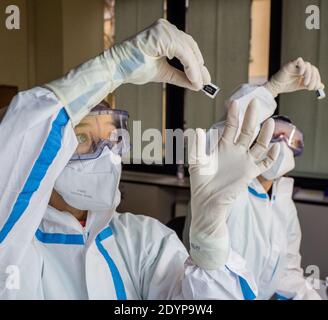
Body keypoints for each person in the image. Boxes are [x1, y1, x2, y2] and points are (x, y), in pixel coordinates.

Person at [0, 18, 278, 300]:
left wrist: (211, 249)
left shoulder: (143, 240)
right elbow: (15, 146)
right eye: (83, 139)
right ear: (48, 147)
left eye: (113, 140)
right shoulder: (17, 242)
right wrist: (112, 67)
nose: (106, 155)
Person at [183, 58, 324, 300]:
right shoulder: (228, 188)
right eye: (275, 134)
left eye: (293, 140)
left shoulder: (283, 201)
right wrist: (271, 91)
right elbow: (224, 133)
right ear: (254, 137)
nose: (284, 145)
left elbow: (288, 270)